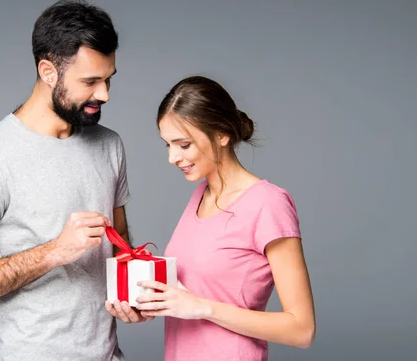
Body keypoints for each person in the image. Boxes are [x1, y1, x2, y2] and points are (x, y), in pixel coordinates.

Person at [0, 0, 147, 361]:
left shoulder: (109, 145)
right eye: (90, 81)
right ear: (48, 71)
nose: (104, 94)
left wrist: (131, 294)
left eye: (108, 79)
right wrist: (54, 252)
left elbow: (119, 243)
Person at [134, 76, 316, 360]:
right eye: (167, 145)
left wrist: (203, 308)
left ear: (221, 134)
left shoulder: (268, 203)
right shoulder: (201, 193)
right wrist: (149, 305)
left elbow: (301, 330)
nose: (172, 157)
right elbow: (190, 296)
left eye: (183, 145)